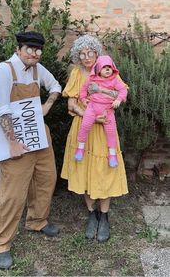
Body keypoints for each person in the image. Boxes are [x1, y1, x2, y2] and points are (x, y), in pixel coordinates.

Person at [0, 31, 61, 270]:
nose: (35, 54)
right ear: (19, 49)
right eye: (30, 49)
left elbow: (56, 86)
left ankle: (37, 221)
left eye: (39, 50)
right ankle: (0, 244)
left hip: (40, 137)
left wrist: (47, 105)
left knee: (46, 180)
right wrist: (11, 142)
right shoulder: (4, 70)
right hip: (15, 141)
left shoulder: (39, 70)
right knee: (12, 193)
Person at [61, 34, 128, 243]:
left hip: (104, 130)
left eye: (90, 52)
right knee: (84, 168)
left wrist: (104, 108)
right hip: (84, 126)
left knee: (106, 168)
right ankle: (92, 213)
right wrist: (87, 115)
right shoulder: (77, 74)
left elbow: (120, 93)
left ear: (97, 53)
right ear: (78, 56)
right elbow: (71, 104)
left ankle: (105, 216)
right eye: (82, 54)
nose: (86, 57)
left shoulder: (107, 72)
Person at [75, 55, 128, 167]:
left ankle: (112, 155)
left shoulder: (114, 80)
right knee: (85, 125)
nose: (108, 69)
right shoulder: (92, 79)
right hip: (92, 107)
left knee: (111, 132)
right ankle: (80, 148)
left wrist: (118, 99)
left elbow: (123, 90)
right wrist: (83, 99)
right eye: (104, 67)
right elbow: (84, 89)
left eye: (109, 67)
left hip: (108, 110)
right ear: (98, 69)